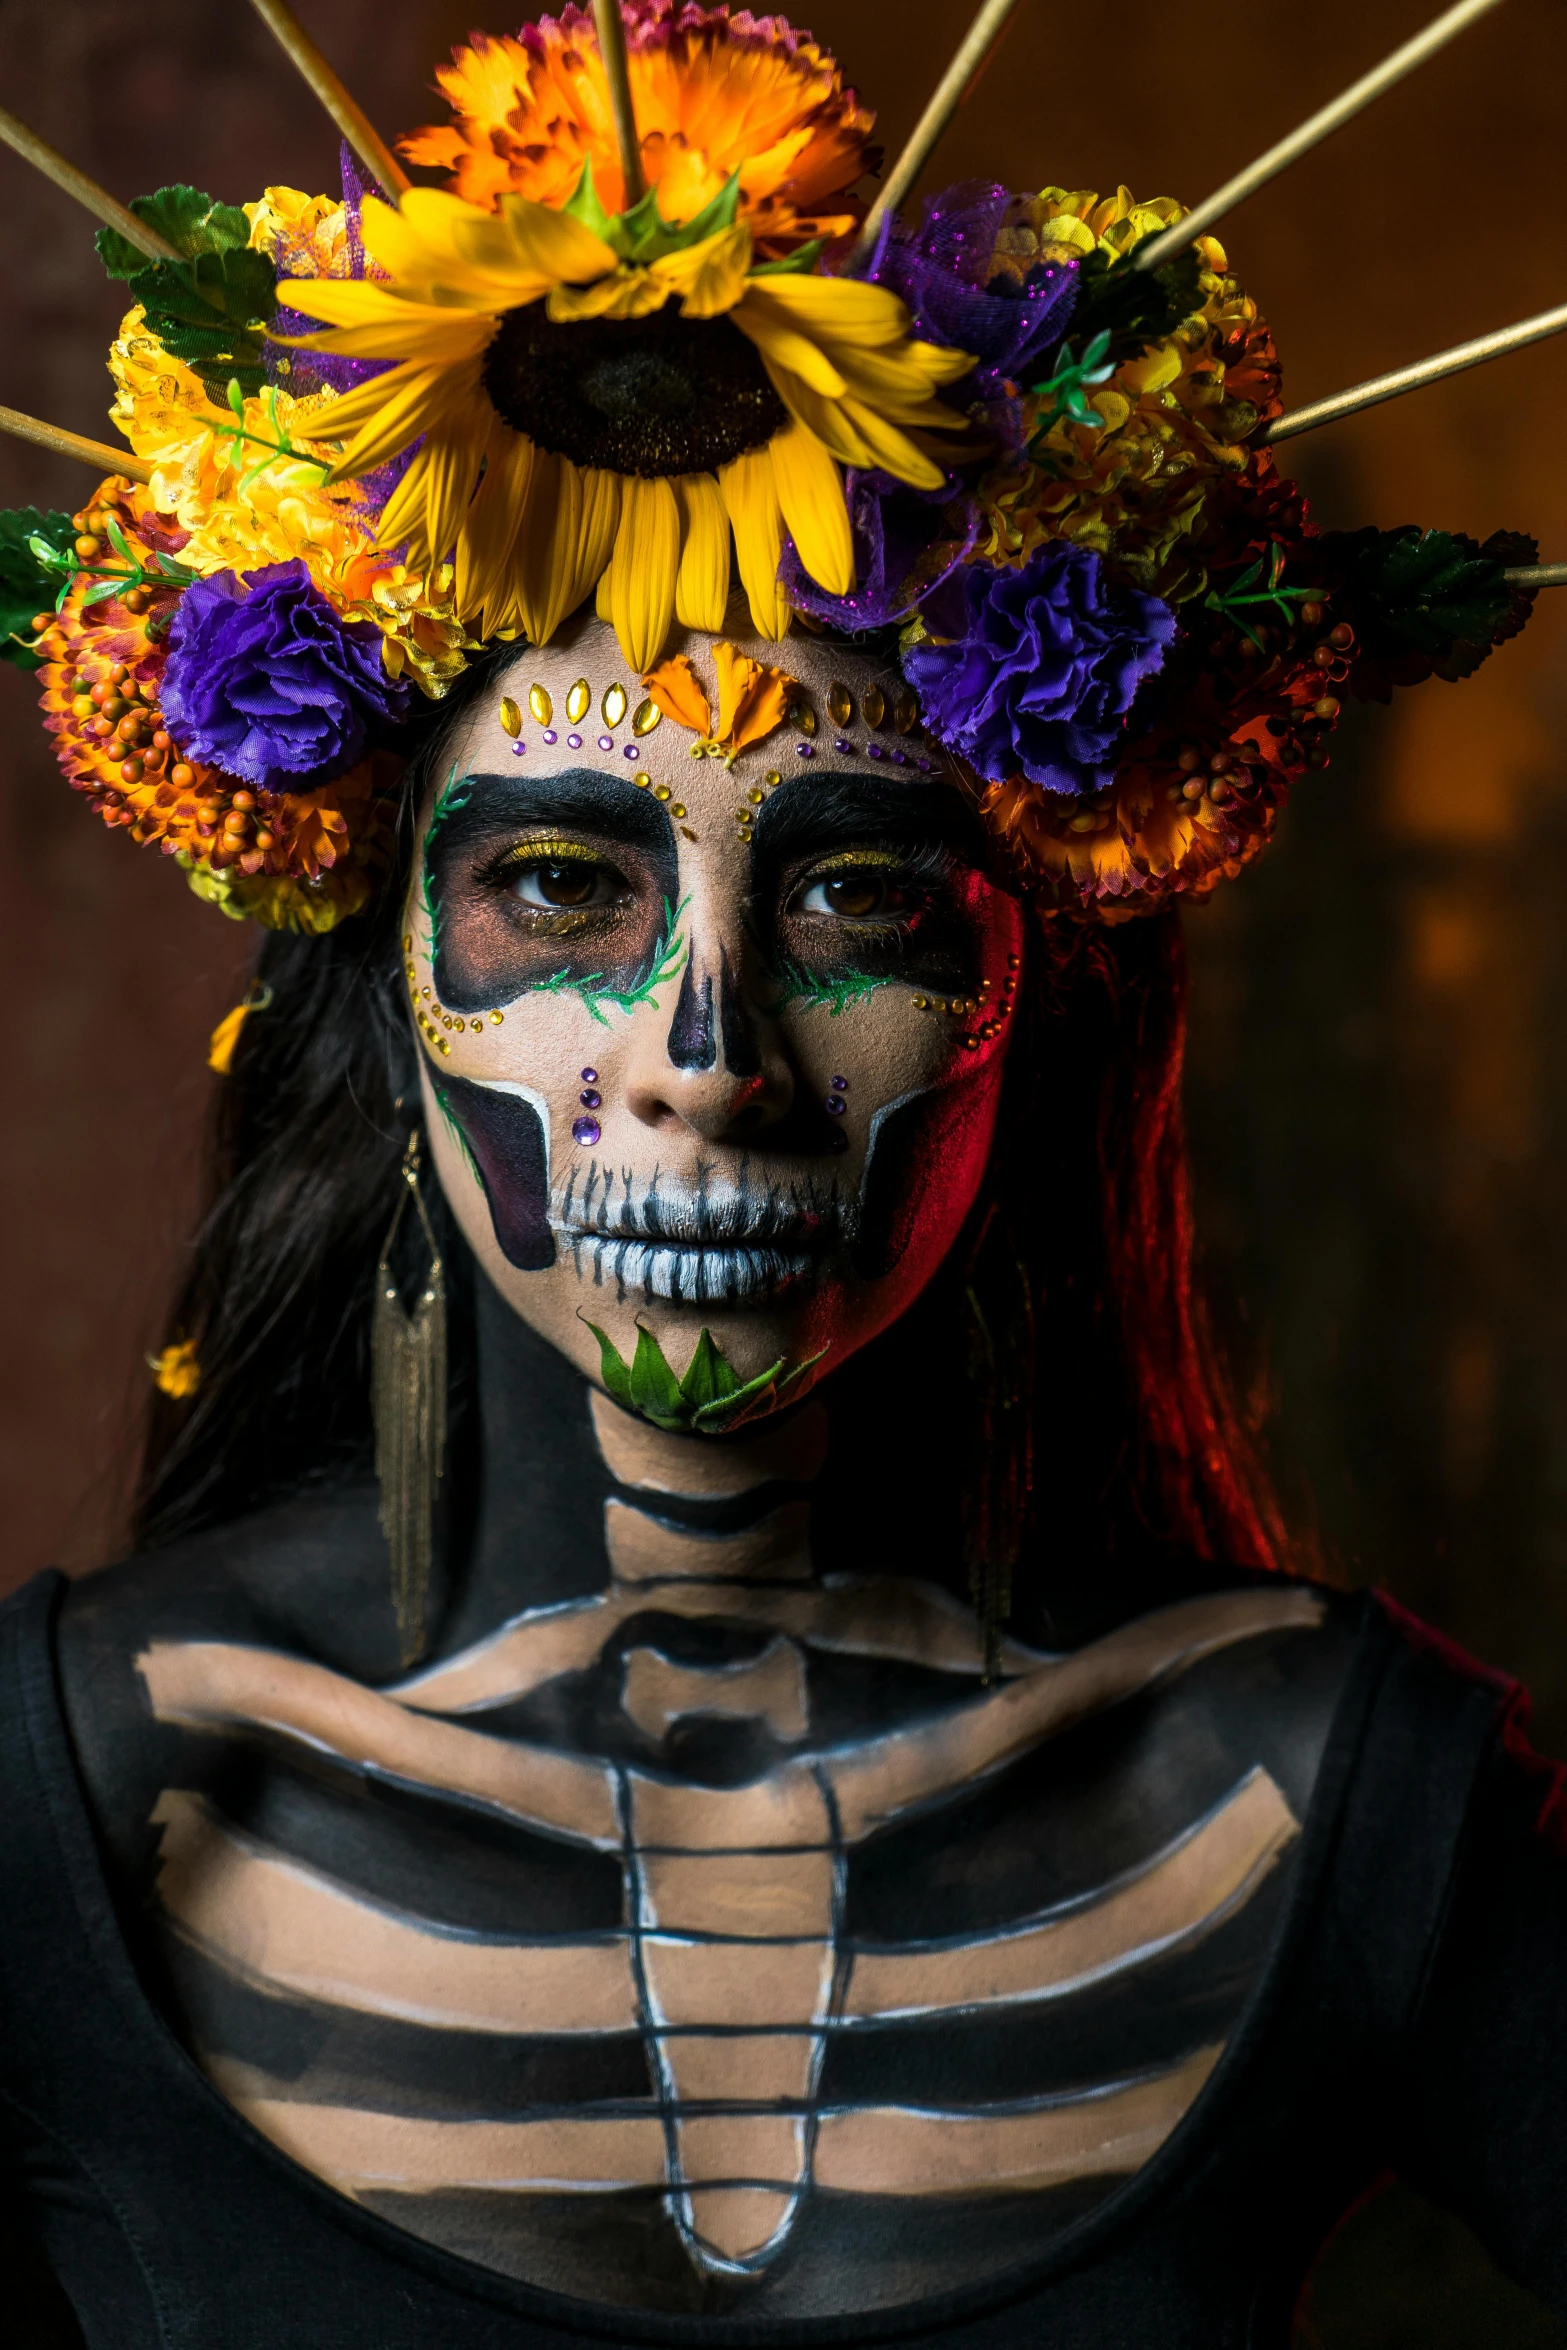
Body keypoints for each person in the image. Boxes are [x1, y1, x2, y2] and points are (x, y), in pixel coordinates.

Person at [0, 5, 1562, 2343]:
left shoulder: (1321, 1783)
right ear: (386, 986)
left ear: (1033, 988)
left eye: (859, 900)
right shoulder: (82, 1805)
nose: (707, 1055)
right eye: (558, 889)